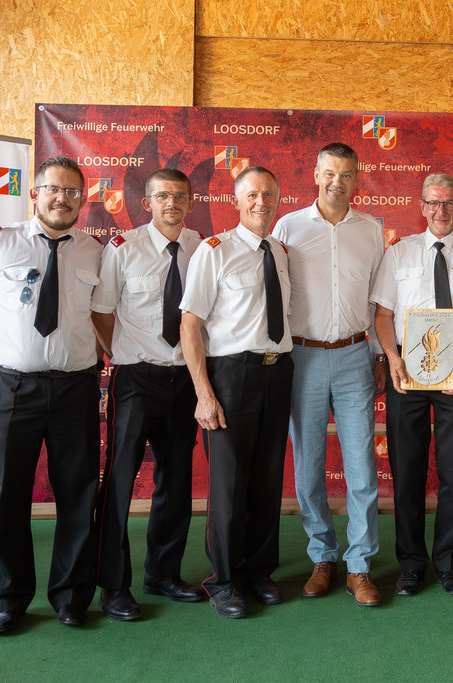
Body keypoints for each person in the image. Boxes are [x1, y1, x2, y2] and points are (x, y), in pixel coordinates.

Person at [0, 156, 103, 634]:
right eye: (53, 190)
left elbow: (104, 313)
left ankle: (72, 597)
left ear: (83, 199)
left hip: (77, 387)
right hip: (13, 386)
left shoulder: (95, 250)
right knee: (7, 495)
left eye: (72, 192)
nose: (62, 199)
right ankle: (8, 600)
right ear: (34, 194)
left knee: (78, 495)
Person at [371, 172, 453, 596]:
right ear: (422, 206)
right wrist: (392, 359)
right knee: (406, 472)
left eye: (448, 203)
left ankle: (449, 565)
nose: (440, 211)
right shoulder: (399, 254)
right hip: (407, 370)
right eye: (433, 203)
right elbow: (385, 316)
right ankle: (410, 565)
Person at [272, 144, 385, 607]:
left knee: (361, 465)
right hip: (304, 358)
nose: (337, 181)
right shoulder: (287, 227)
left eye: (347, 174)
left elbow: (379, 302)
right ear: (316, 173)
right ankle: (323, 555)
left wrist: (379, 353)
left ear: (357, 178)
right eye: (330, 172)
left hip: (357, 355)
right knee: (308, 467)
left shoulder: (373, 230)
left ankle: (359, 566)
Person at [91, 168, 206, 621]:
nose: (171, 203)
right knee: (120, 482)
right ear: (147, 201)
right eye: (162, 196)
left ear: (191, 201)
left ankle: (163, 573)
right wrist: (123, 352)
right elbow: (101, 313)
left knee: (176, 482)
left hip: (185, 379)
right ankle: (113, 586)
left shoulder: (202, 248)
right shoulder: (123, 248)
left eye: (179, 196)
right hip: (136, 380)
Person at [179, 166, 293, 619]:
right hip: (231, 375)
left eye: (269, 194)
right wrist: (204, 393)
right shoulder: (214, 251)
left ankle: (258, 572)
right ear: (237, 200)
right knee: (228, 485)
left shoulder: (281, 252)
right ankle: (224, 580)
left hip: (277, 372)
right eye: (252, 195)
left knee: (267, 479)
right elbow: (190, 325)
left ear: (278, 198)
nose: (261, 202)